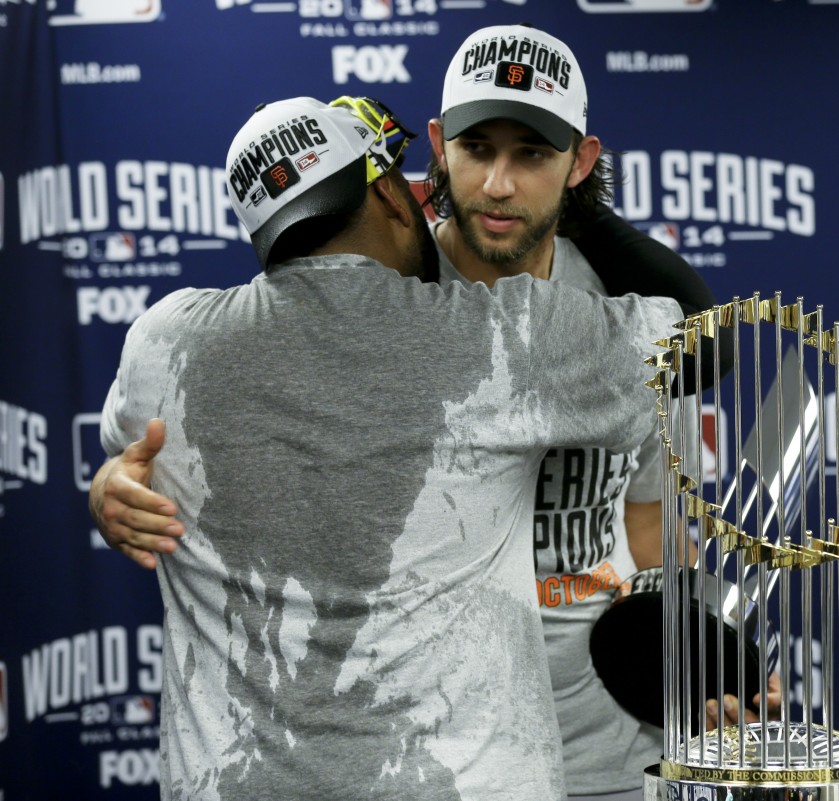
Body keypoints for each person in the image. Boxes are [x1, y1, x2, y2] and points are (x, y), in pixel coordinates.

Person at [92, 25, 779, 800]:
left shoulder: (609, 312)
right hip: (447, 744)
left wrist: (681, 659)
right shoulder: (382, 298)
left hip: (605, 737)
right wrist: (115, 483)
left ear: (580, 164)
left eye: (532, 155)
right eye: (477, 149)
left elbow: (649, 525)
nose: (497, 185)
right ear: (433, 151)